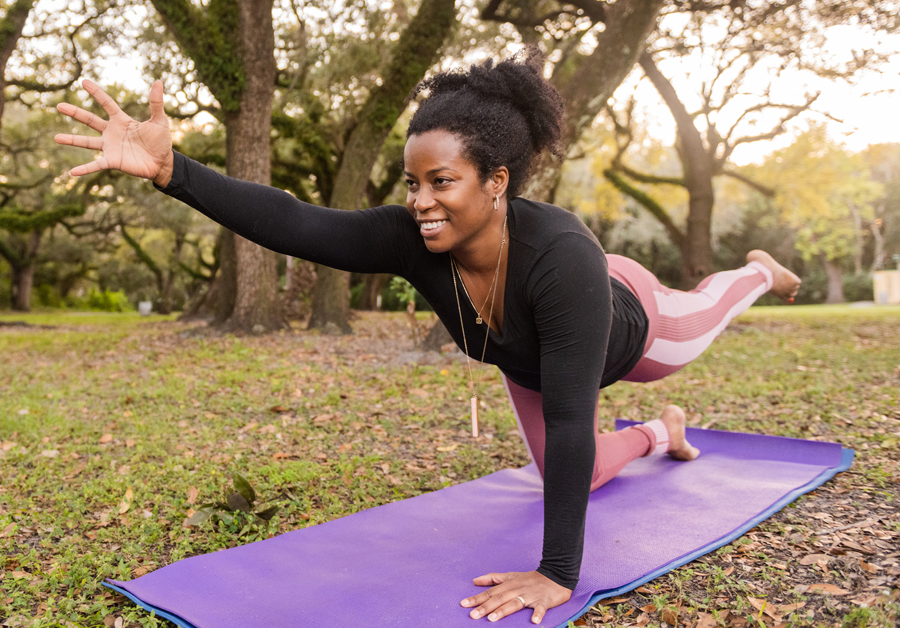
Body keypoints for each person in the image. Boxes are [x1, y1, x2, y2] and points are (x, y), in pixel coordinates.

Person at [54, 50, 801, 624]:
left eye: (441, 182)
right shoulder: (414, 238)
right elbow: (293, 220)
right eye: (413, 183)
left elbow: (574, 418)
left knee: (709, 310)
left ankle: (760, 272)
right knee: (574, 475)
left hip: (633, 326)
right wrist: (172, 169)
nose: (421, 201)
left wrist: (558, 573)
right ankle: (657, 437)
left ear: (497, 181)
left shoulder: (562, 256)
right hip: (532, 359)